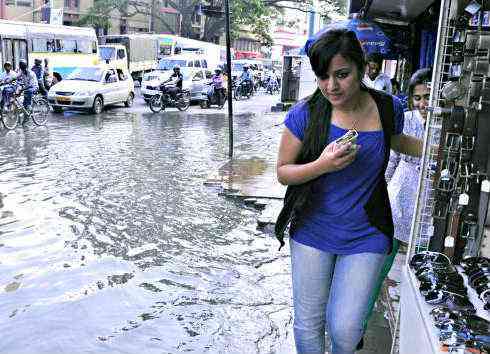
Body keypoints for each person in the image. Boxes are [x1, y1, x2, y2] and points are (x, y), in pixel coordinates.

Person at [275, 28, 422, 354]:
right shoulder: (306, 114)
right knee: (309, 324)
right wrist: (322, 164)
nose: (332, 86)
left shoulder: (386, 108)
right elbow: (283, 172)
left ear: (362, 67)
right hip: (313, 229)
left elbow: (394, 141)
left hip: (367, 232)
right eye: (323, 77)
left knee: (346, 327)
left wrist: (432, 150)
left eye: (342, 74)